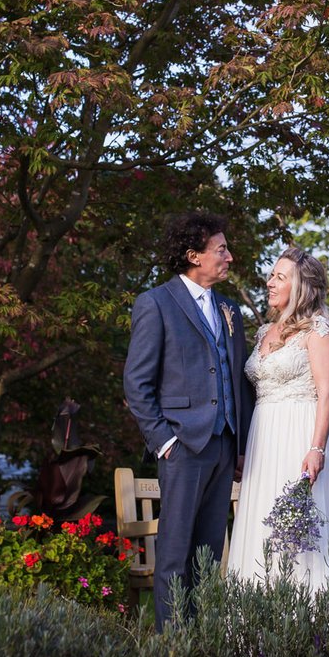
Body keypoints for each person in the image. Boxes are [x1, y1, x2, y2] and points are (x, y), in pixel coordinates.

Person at [122, 212, 255, 629]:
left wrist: (240, 446)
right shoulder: (156, 303)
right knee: (175, 553)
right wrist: (165, 442)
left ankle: (200, 642)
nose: (229, 257)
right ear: (193, 255)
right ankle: (172, 647)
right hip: (182, 447)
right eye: (221, 249)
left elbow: (239, 383)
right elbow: (137, 383)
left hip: (222, 446)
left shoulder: (231, 310)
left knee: (208, 554)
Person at [225, 245, 329, 608]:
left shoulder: (319, 330)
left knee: (300, 538)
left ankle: (312, 631)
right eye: (271, 275)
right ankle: (252, 632)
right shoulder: (263, 331)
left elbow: (327, 393)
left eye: (279, 277)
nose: (269, 282)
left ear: (301, 286)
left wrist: (316, 449)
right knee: (260, 528)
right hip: (262, 441)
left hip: (300, 435)